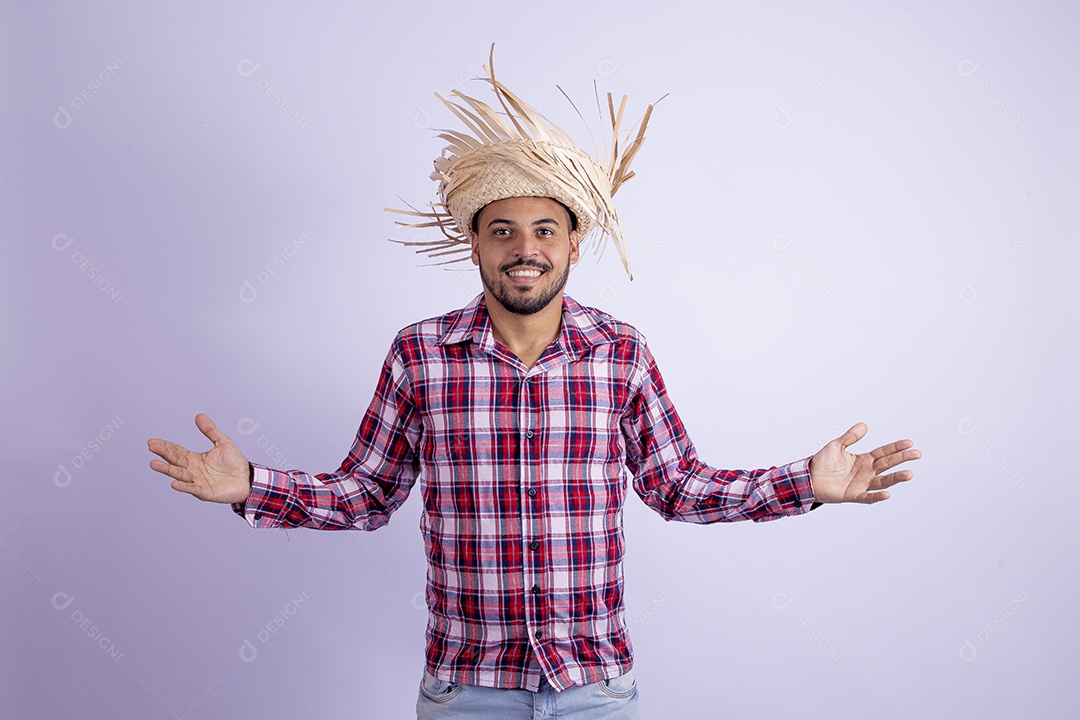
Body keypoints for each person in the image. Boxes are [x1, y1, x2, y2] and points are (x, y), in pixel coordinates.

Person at [147, 50, 921, 720]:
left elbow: (678, 487)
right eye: (504, 230)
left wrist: (805, 485)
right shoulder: (421, 354)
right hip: (466, 690)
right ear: (475, 243)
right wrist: (251, 486)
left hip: (594, 688)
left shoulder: (620, 352)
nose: (526, 249)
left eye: (545, 230)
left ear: (573, 244)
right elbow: (366, 494)